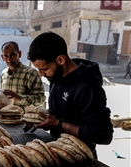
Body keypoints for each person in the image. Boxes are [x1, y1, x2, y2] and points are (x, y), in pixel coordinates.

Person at [26, 31, 113, 159]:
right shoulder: (56, 77)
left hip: (82, 159)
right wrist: (40, 117)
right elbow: (67, 110)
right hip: (57, 151)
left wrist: (57, 124)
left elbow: (103, 135)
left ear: (60, 60)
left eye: (44, 69)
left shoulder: (88, 87)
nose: (41, 74)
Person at [0, 41, 46, 108]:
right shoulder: (3, 74)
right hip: (6, 116)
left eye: (12, 55)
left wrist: (19, 98)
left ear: (19, 54)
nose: (9, 59)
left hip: (25, 117)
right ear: (2, 57)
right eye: (6, 56)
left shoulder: (31, 73)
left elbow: (40, 99)